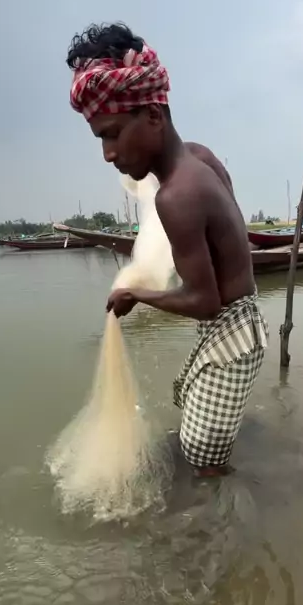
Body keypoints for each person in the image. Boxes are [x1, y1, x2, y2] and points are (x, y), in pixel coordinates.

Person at [67, 23, 268, 477]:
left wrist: (136, 295)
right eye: (102, 138)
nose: (108, 153)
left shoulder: (177, 197)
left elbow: (205, 301)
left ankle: (225, 519)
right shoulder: (200, 157)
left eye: (113, 134)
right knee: (201, 437)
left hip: (230, 331)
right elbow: (227, 245)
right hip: (245, 321)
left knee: (204, 460)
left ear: (154, 116)